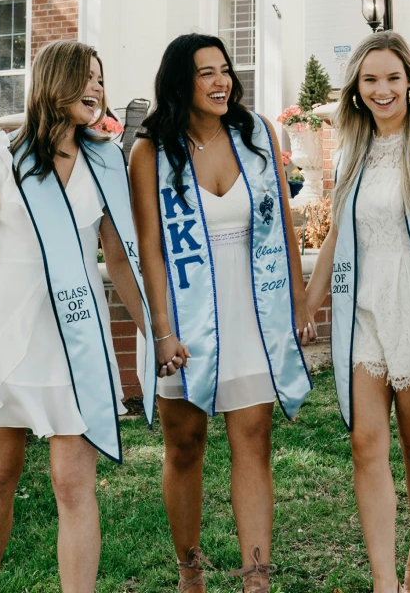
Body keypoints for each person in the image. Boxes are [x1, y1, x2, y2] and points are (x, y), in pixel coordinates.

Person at [0, 40, 155, 593]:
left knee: (73, 484)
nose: (97, 88)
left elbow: (117, 258)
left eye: (100, 78)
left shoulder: (106, 158)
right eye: (85, 77)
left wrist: (155, 333)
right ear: (53, 83)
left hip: (77, 337)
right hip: (10, 333)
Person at [128, 33, 313, 593]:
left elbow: (283, 221)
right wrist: (161, 331)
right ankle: (190, 573)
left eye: (225, 70)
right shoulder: (151, 152)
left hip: (252, 308)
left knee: (254, 437)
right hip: (183, 312)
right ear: (179, 81)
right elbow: (151, 249)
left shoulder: (256, 134)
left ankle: (256, 578)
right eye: (206, 72)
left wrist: (299, 301)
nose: (221, 81)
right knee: (185, 443)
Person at [303, 31, 410, 593]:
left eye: (392, 79)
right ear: (356, 89)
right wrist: (311, 299)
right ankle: (383, 582)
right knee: (365, 443)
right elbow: (336, 234)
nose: (382, 90)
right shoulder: (352, 149)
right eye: (370, 80)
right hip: (363, 307)